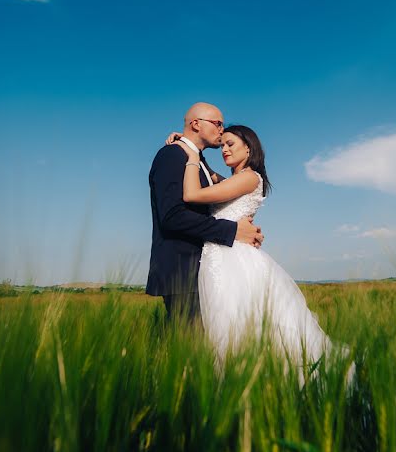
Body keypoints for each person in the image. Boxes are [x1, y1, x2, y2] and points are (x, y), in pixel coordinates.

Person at [170, 124, 351, 376]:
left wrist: (189, 156)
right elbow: (210, 175)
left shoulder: (248, 177)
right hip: (218, 257)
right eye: (222, 145)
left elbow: (191, 195)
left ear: (249, 147)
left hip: (233, 260)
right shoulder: (235, 180)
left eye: (230, 144)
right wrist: (189, 142)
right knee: (227, 327)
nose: (224, 149)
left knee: (240, 325)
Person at [147, 103, 264, 322]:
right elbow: (172, 216)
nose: (221, 130)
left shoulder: (198, 161)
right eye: (218, 124)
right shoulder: (173, 155)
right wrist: (234, 230)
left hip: (210, 269)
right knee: (191, 348)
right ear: (196, 124)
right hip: (182, 271)